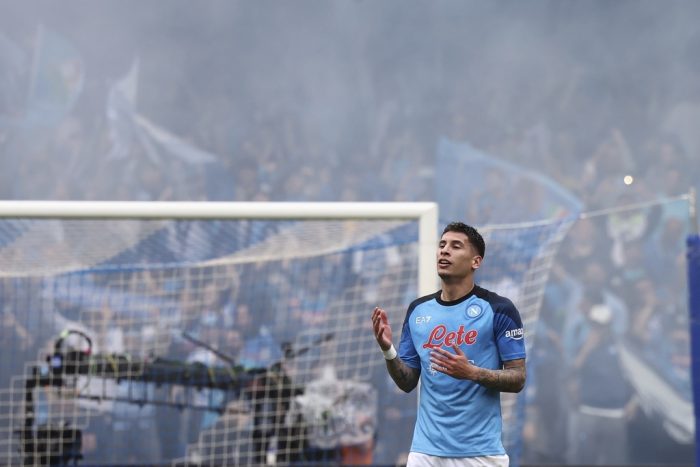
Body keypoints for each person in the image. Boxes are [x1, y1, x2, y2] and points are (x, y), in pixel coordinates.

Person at [371, 222, 526, 467]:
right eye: (442, 245)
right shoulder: (417, 310)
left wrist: (472, 373)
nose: (444, 251)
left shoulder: (499, 309)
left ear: (475, 261)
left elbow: (518, 378)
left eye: (456, 246)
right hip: (425, 453)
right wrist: (387, 349)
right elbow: (407, 382)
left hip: (480, 453)